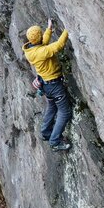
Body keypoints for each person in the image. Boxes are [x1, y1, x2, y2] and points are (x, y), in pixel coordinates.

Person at [23, 18, 73, 151]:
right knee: (65, 112)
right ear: (38, 38)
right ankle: (55, 141)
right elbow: (59, 45)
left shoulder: (31, 50)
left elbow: (43, 42)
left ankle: (46, 132)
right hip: (54, 85)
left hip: (46, 85)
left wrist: (49, 29)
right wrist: (68, 28)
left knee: (52, 107)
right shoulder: (42, 52)